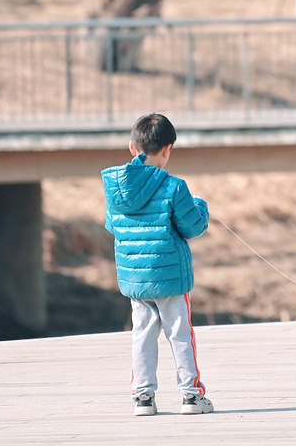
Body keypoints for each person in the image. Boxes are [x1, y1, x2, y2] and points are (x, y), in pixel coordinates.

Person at [101, 113, 213, 416]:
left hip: (135, 279)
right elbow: (192, 227)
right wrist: (201, 206)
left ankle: (143, 398)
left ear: (131, 148)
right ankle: (191, 396)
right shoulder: (174, 186)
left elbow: (112, 226)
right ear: (167, 149)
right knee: (180, 334)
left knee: (142, 334)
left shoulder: (116, 190)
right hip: (171, 279)